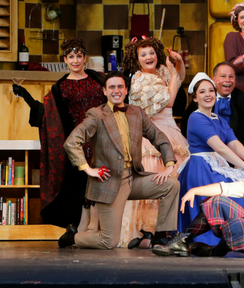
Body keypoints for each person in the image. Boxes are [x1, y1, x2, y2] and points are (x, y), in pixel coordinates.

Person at [58, 72, 181, 250]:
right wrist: (87, 168)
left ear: (126, 90)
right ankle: (72, 237)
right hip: (109, 182)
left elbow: (159, 137)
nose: (116, 91)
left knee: (172, 185)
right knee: (109, 241)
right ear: (105, 91)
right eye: (112, 87)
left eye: (120, 87)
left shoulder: (136, 113)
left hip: (134, 177)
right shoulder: (97, 115)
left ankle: (160, 237)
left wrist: (170, 164)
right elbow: (72, 142)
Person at [13, 39, 106, 229]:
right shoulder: (60, 87)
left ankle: (104, 228)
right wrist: (28, 98)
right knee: (79, 188)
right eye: (71, 56)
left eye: (79, 56)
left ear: (85, 58)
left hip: (103, 140)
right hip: (79, 144)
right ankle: (78, 230)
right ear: (65, 59)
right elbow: (49, 114)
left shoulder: (97, 78)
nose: (75, 60)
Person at [122, 36, 190, 246]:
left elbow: (178, 80)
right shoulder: (141, 79)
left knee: (173, 181)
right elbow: (170, 100)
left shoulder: (160, 72)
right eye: (143, 54)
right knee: (156, 183)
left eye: (151, 52)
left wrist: (177, 63)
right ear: (137, 60)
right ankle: (148, 231)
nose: (148, 57)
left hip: (170, 129)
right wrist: (172, 71)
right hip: (155, 134)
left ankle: (164, 232)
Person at [178, 73, 244, 245]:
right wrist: (242, 166)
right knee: (234, 191)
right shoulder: (196, 117)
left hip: (215, 163)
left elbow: (233, 142)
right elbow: (219, 147)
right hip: (201, 168)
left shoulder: (218, 118)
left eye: (211, 90)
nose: (208, 95)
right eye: (202, 92)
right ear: (195, 98)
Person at [182, 62, 244, 155]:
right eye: (223, 76)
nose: (228, 80)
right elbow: (186, 128)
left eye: (231, 77)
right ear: (214, 79)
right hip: (207, 155)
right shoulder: (201, 99)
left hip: (237, 157)